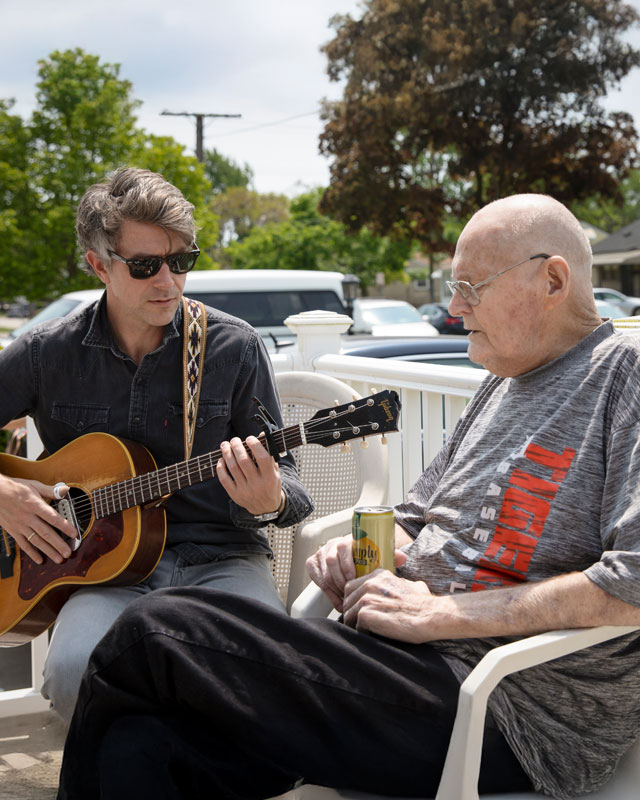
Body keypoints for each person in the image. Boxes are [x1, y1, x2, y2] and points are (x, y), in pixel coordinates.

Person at [56, 193, 640, 800]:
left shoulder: (625, 375)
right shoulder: (504, 380)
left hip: (505, 710)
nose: (454, 305)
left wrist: (445, 615)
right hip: (396, 665)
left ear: (552, 280)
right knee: (141, 744)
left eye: (471, 285)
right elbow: (414, 518)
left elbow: (634, 582)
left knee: (154, 629)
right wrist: (365, 556)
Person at [0, 166, 313, 723]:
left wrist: (270, 500)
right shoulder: (49, 353)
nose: (168, 282)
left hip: (221, 558)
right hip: (101, 569)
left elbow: (289, 483)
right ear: (99, 265)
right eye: (145, 266)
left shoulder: (232, 348)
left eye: (182, 261)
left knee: (260, 676)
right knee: (75, 673)